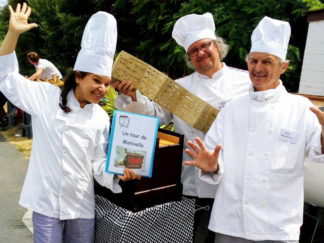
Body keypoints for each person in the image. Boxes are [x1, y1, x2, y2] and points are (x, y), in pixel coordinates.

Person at [0, 3, 140, 242]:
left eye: (107, 83)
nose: (103, 89)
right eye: (97, 80)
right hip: (46, 202)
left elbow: (98, 160)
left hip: (80, 205)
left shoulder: (99, 117)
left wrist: (119, 172)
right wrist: (12, 33)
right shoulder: (46, 97)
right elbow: (7, 79)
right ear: (78, 76)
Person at [112, 13, 251, 242]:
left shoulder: (245, 82)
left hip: (234, 181)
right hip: (193, 182)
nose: (200, 53)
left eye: (204, 46)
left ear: (216, 46)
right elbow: (155, 116)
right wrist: (133, 94)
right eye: (193, 51)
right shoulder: (179, 88)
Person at [184, 16, 324, 242]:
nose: (258, 68)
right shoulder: (231, 109)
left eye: (267, 61)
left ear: (283, 66)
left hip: (278, 226)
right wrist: (211, 165)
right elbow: (212, 158)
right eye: (253, 61)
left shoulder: (300, 108)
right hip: (231, 223)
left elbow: (320, 153)